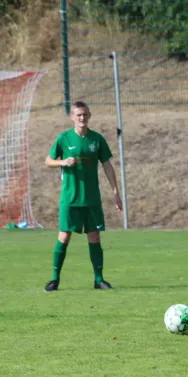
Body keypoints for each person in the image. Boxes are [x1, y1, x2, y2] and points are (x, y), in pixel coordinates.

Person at [43, 101, 122, 291]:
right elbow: (48, 161)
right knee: (64, 236)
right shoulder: (64, 139)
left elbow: (107, 166)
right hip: (70, 199)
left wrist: (115, 191)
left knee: (94, 237)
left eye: (85, 115)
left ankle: (99, 279)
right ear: (72, 117)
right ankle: (54, 279)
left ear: (89, 115)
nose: (82, 118)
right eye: (78, 115)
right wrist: (62, 162)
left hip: (91, 199)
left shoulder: (97, 139)